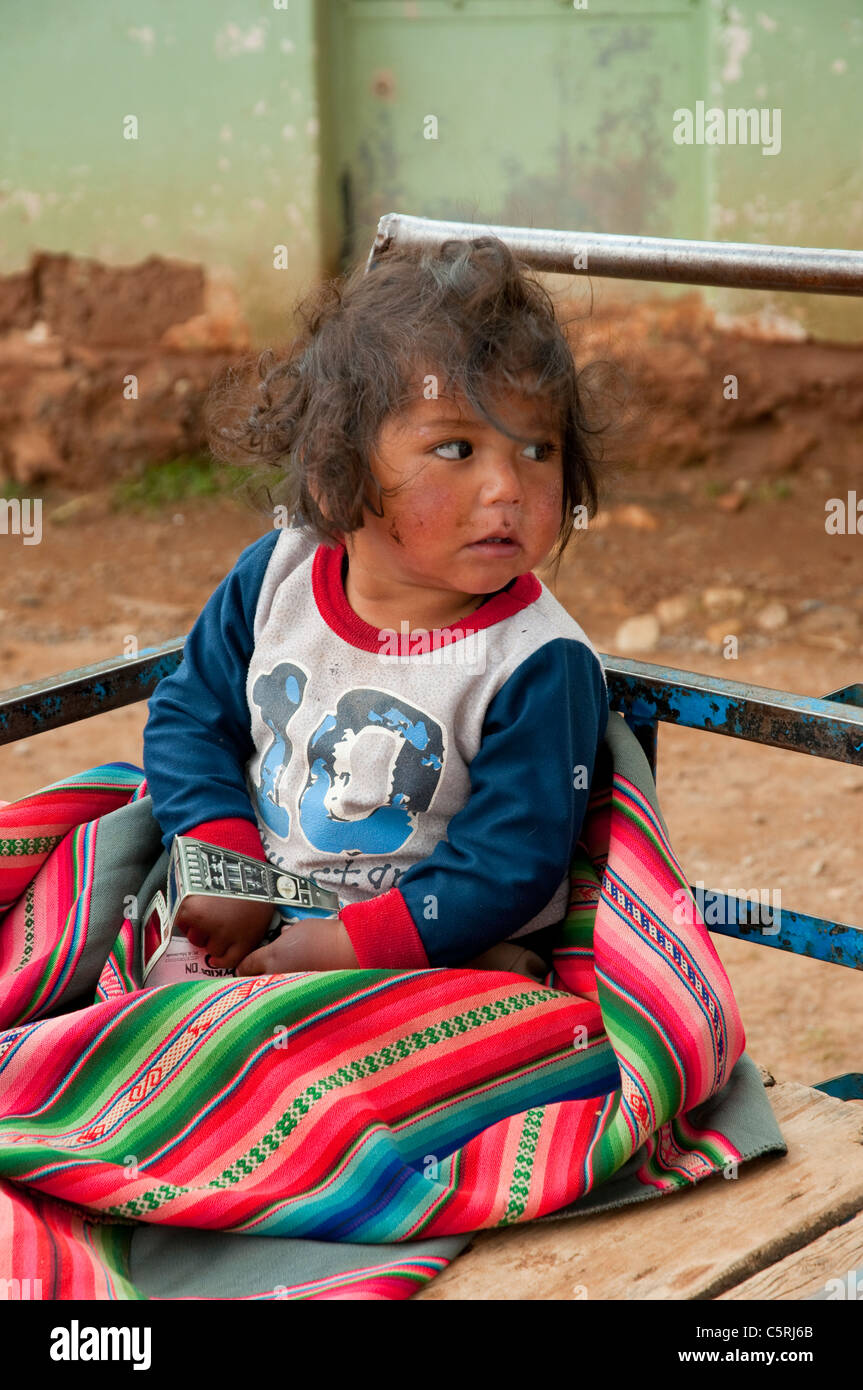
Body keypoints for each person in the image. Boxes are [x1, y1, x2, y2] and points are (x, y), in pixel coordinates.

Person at [141, 235, 611, 978]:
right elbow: (189, 717)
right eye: (456, 450)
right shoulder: (277, 575)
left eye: (537, 450)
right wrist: (218, 852)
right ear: (335, 476)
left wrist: (350, 946)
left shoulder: (536, 662)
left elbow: (510, 862)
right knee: (151, 1035)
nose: (507, 488)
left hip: (424, 948)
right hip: (254, 909)